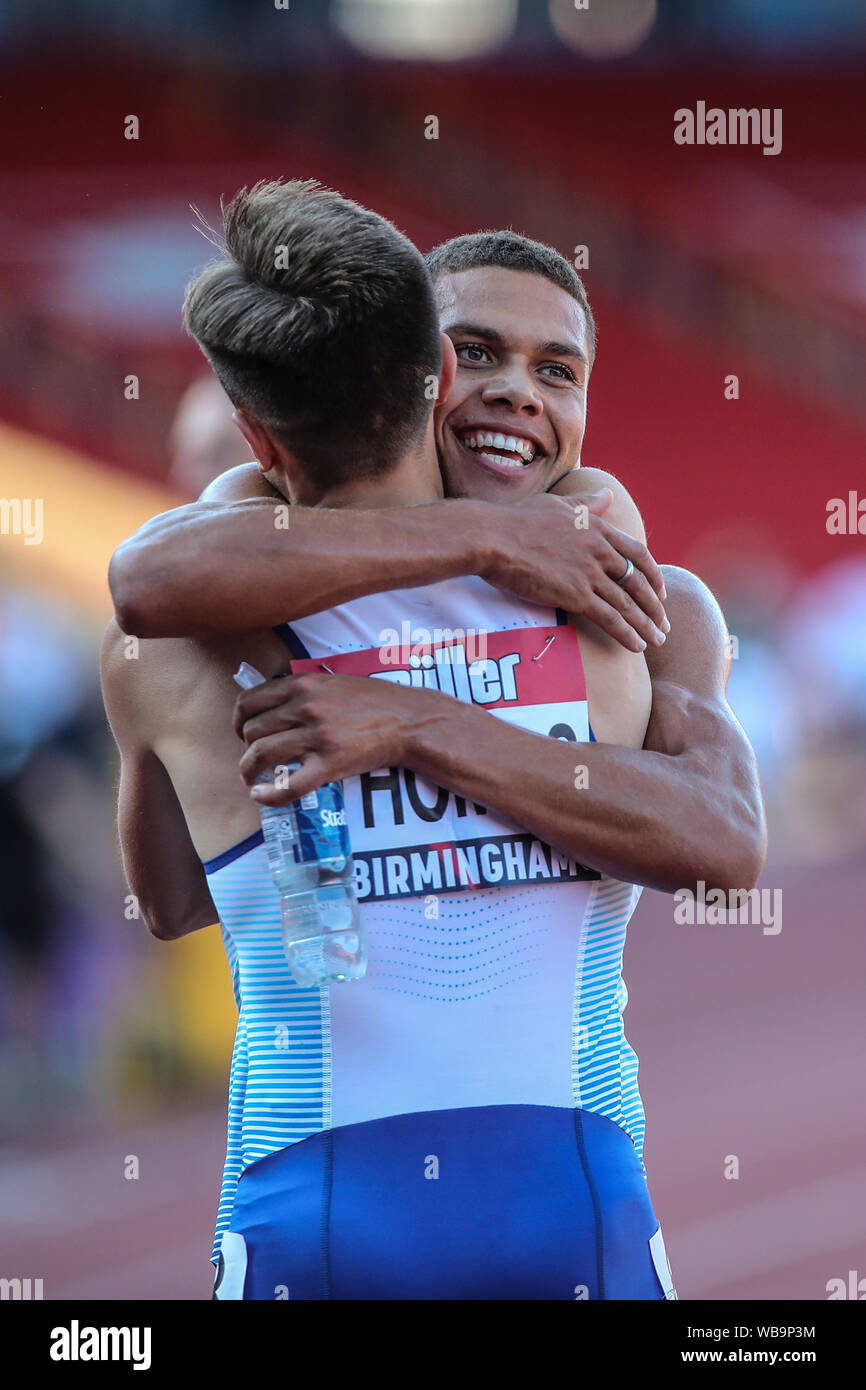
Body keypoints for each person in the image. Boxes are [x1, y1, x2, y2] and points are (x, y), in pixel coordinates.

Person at [104, 181, 765, 1299]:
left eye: (556, 371)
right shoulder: (200, 593)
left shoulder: (629, 596)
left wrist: (412, 725)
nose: (513, 392)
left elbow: (725, 844)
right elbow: (151, 577)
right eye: (478, 354)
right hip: (547, 1215)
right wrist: (485, 536)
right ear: (428, 373)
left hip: (333, 1219)